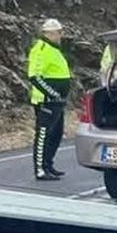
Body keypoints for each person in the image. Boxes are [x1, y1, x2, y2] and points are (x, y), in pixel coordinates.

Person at [28, 18, 71, 180]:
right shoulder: (41, 49)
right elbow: (34, 76)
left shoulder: (54, 49)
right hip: (46, 100)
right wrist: (51, 94)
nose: (61, 35)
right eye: (59, 32)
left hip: (57, 101)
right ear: (49, 33)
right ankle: (40, 169)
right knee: (43, 134)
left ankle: (48, 164)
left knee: (56, 133)